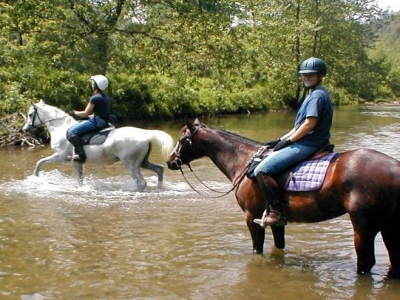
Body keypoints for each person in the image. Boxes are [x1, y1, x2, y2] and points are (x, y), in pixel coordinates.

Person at [253, 57, 333, 227]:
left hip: (308, 144)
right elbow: (298, 126)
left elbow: (309, 123)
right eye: (304, 75)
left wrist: (289, 141)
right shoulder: (315, 94)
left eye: (311, 75)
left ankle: (276, 213)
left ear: (320, 75)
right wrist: (279, 140)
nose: (307, 78)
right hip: (311, 141)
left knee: (262, 170)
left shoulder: (317, 96)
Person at [66, 74, 111, 163]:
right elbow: (101, 112)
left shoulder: (94, 98)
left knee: (72, 132)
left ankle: (80, 154)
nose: (91, 85)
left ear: (96, 85)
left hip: (98, 122)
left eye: (93, 83)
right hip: (104, 121)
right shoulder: (106, 97)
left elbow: (86, 113)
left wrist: (74, 112)